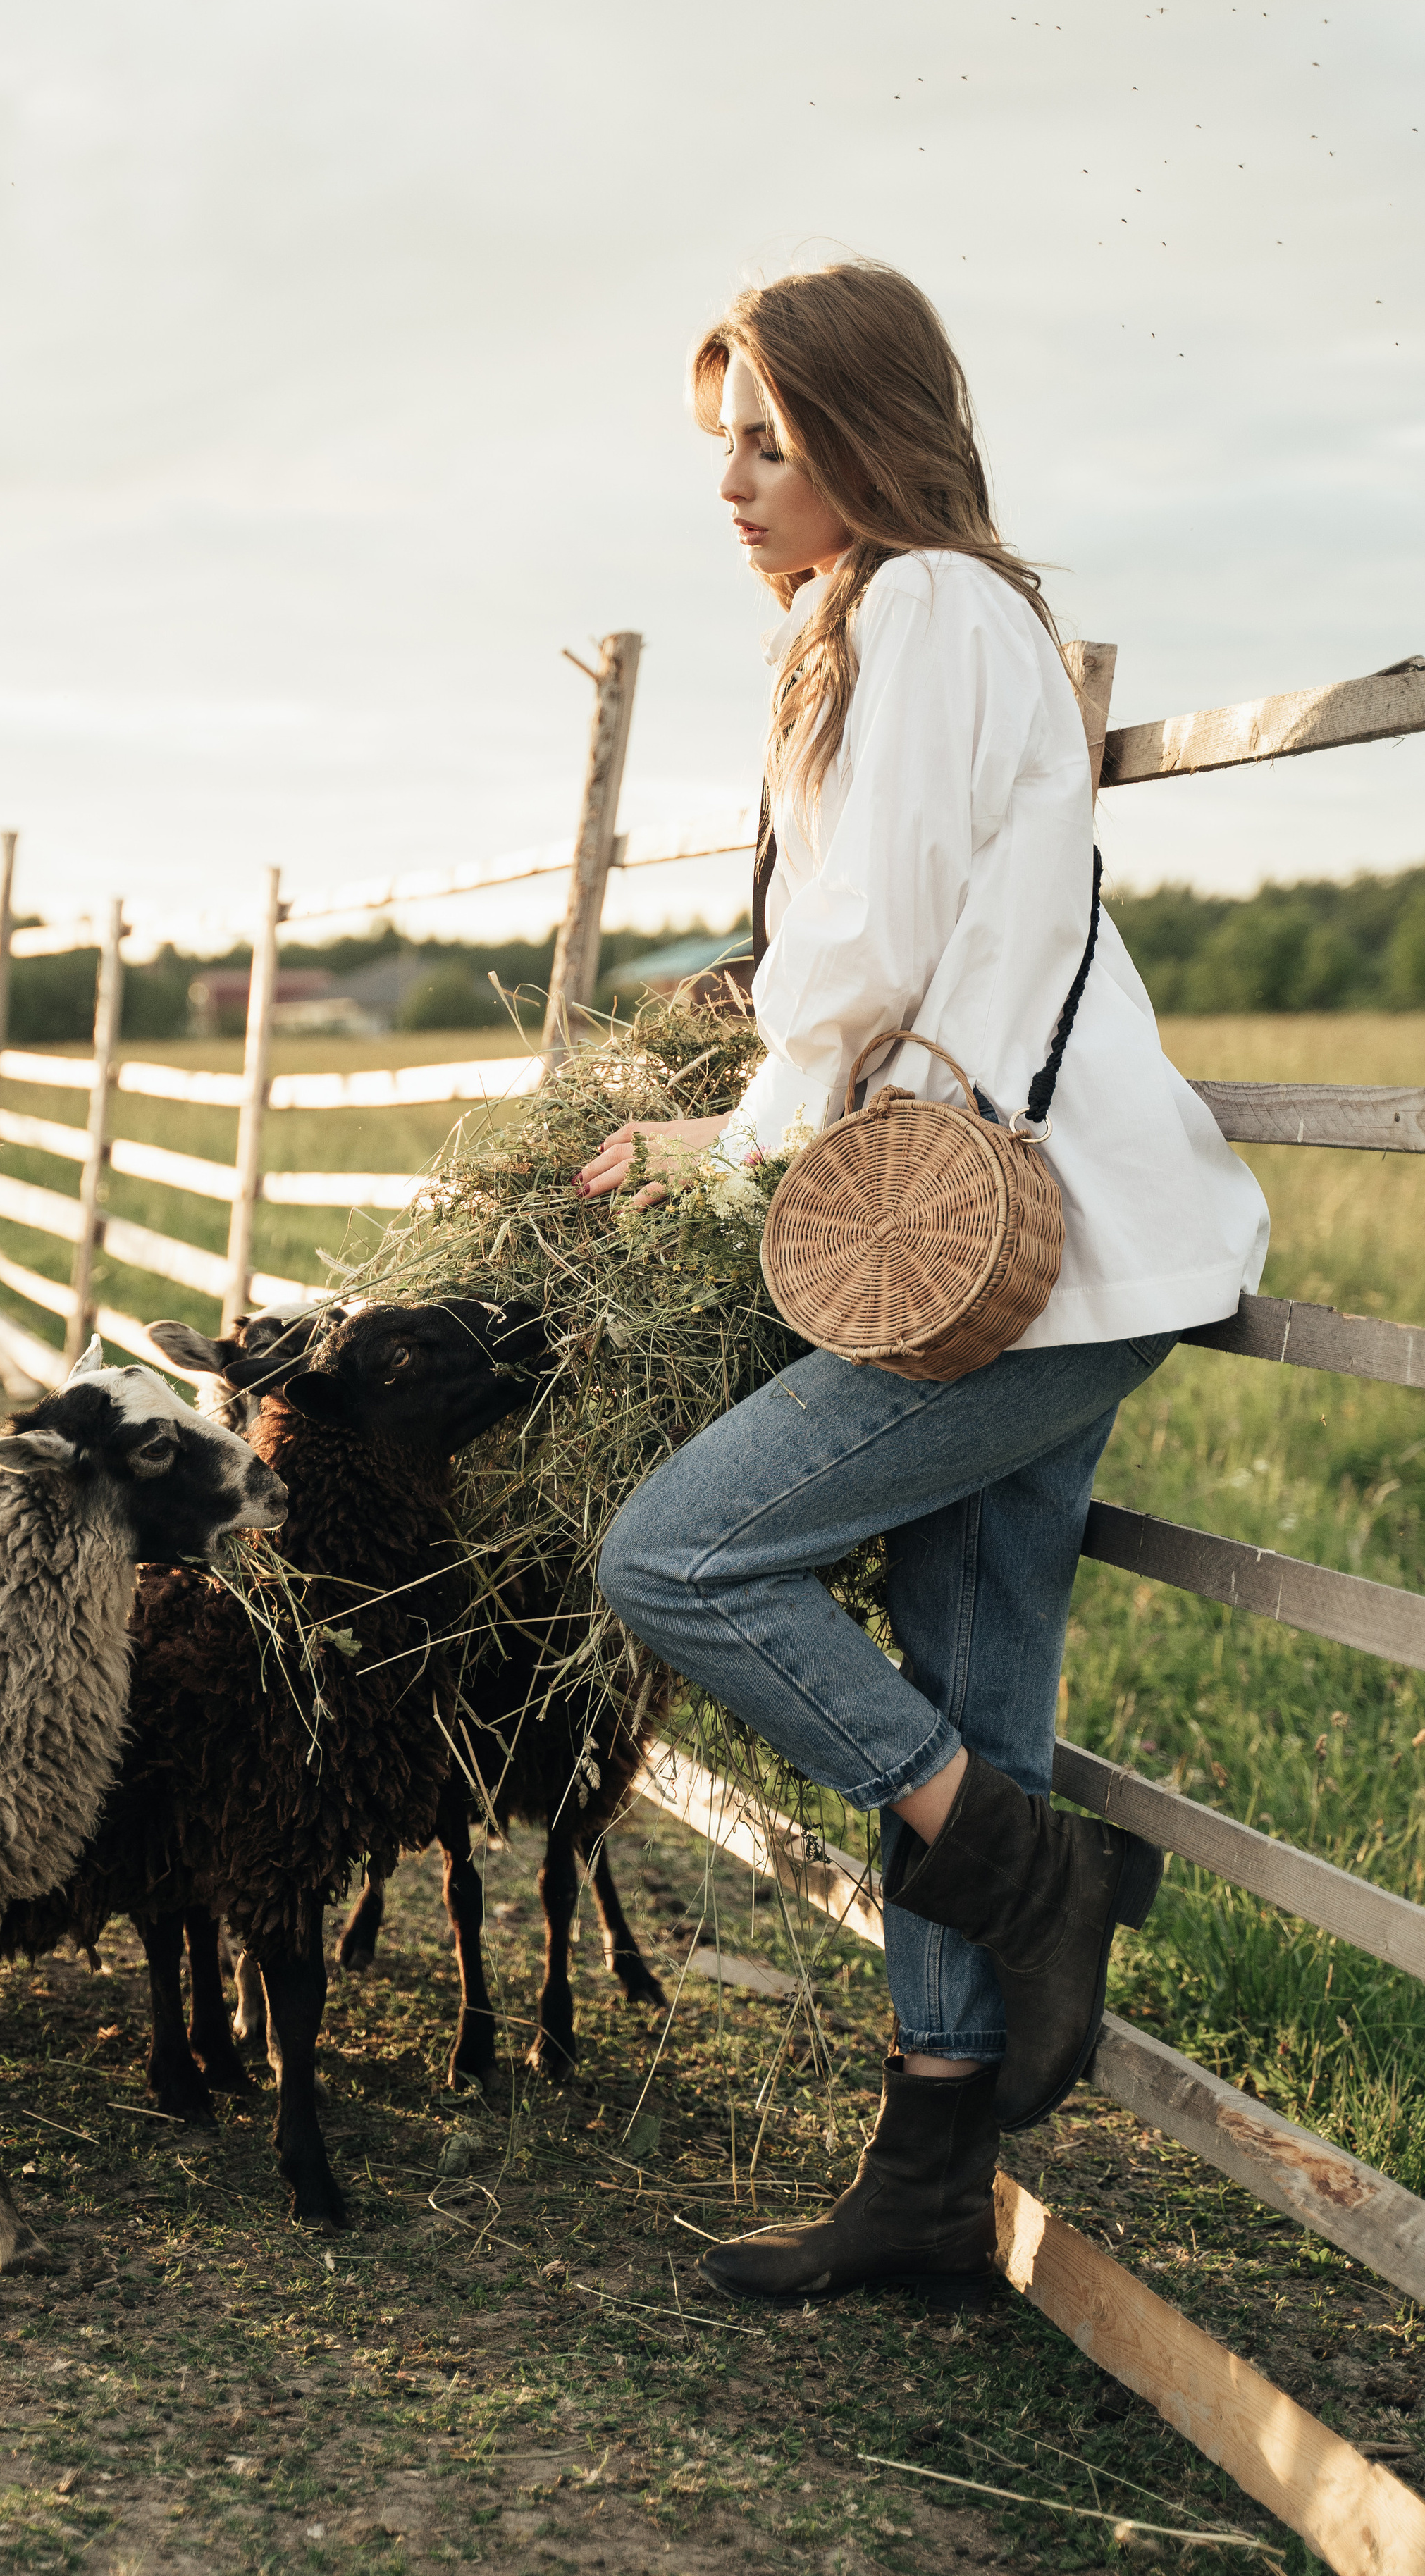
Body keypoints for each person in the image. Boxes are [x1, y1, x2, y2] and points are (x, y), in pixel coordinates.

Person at [583, 261, 1269, 2310]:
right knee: (976, 1676)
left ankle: (1039, 1873)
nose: (731, 476)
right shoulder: (868, 622)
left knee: (678, 1559)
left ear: (868, 434)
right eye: (723, 435)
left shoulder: (927, 609)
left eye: (767, 436)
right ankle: (929, 2177)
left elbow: (875, 950)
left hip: (1028, 1248)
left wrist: (730, 1147)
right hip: (1012, 1249)